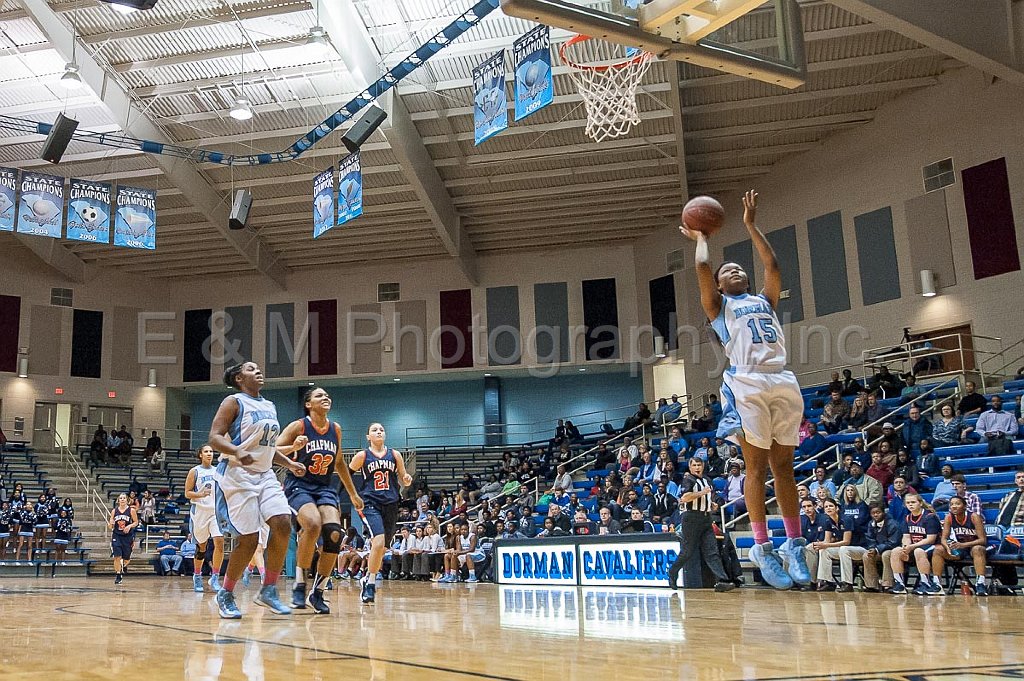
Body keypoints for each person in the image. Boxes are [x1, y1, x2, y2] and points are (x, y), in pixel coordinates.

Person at [678, 189, 810, 591]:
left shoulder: (765, 300)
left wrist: (750, 224)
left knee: (784, 467)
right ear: (719, 285)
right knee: (756, 466)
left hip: (782, 379)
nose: (733, 270)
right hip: (746, 381)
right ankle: (761, 546)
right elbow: (702, 270)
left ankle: (794, 544)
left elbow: (773, 263)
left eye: (738, 269)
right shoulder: (719, 309)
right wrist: (702, 240)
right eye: (727, 270)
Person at [209, 361, 307, 619]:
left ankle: (269, 589)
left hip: (265, 474)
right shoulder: (233, 402)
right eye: (251, 369)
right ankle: (226, 593)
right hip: (236, 476)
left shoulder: (269, 406)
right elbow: (215, 437)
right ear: (240, 378)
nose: (258, 371)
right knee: (249, 540)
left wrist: (289, 463)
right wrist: (236, 450)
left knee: (284, 523)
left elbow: (267, 447)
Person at [276, 387, 364, 614]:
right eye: (319, 396)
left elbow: (339, 462)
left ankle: (318, 592)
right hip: (300, 485)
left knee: (335, 534)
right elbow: (272, 450)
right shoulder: (299, 426)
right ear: (308, 404)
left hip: (324, 487)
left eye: (327, 395)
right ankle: (299, 583)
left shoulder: (335, 429)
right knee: (313, 524)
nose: (325, 397)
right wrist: (293, 450)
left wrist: (353, 493)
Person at [349, 422, 413, 604]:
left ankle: (367, 576)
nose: (379, 432)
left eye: (381, 429)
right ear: (368, 437)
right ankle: (370, 583)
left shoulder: (395, 455)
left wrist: (406, 479)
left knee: (383, 547)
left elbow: (404, 478)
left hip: (391, 504)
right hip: (370, 503)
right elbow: (347, 475)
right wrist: (353, 496)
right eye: (374, 430)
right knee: (377, 542)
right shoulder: (362, 456)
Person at [666, 457, 735, 591]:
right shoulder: (688, 480)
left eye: (699, 465)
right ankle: (672, 572)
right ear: (690, 467)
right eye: (694, 465)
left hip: (705, 518)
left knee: (712, 551)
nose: (697, 467)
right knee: (687, 552)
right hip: (691, 518)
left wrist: (712, 504)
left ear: (703, 466)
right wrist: (702, 493)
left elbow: (707, 497)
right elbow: (685, 498)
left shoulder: (707, 480)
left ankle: (723, 581)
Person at [185, 444, 226, 593]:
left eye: (211, 451)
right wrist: (200, 495)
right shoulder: (194, 471)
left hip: (215, 513)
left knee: (220, 542)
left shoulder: (218, 471)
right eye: (206, 451)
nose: (209, 454)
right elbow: (187, 493)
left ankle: (215, 577)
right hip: (200, 512)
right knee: (201, 548)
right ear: (200, 455)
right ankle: (197, 576)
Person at [931, 495, 990, 596]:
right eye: (952, 504)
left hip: (975, 545)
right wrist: (947, 547)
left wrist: (963, 545)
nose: (954, 506)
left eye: (957, 504)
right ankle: (937, 584)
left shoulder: (974, 516)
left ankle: (981, 583)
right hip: (960, 547)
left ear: (965, 506)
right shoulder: (949, 517)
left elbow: (982, 540)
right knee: (938, 550)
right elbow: (944, 538)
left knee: (977, 549)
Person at [890, 494, 941, 595]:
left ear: (920, 503)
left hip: (932, 547)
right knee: (896, 551)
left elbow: (931, 539)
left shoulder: (930, 517)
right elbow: (906, 537)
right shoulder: (907, 518)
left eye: (913, 502)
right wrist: (905, 547)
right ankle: (900, 584)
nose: (910, 505)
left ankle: (926, 583)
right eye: (908, 503)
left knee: (919, 551)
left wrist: (912, 546)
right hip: (914, 546)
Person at [860, 504, 901, 592]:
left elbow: (893, 542)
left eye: (878, 512)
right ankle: (871, 585)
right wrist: (872, 548)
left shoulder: (893, 524)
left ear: (883, 512)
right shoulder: (871, 524)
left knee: (886, 555)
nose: (875, 515)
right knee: (867, 555)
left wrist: (877, 549)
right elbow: (870, 539)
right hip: (878, 549)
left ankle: (888, 584)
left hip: (893, 549)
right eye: (873, 513)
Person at [107, 493, 139, 584]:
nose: (122, 499)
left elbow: (136, 522)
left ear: (127, 500)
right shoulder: (114, 511)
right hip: (117, 535)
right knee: (117, 556)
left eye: (124, 498)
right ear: (118, 500)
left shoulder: (131, 510)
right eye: (120, 498)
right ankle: (118, 574)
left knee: (126, 558)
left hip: (128, 536)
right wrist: (110, 524)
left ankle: (123, 566)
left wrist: (129, 526)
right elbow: (110, 526)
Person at [799, 499, 824, 589]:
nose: (807, 509)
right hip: (808, 545)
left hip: (823, 545)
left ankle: (811, 581)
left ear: (815, 506)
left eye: (809, 506)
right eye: (804, 507)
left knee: (810, 548)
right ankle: (794, 581)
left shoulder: (823, 518)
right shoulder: (802, 519)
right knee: (791, 549)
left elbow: (824, 538)